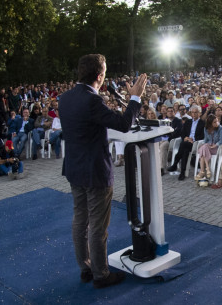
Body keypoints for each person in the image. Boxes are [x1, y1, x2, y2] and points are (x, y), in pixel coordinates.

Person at [58, 54, 145, 289]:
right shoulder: (91, 100)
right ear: (100, 76)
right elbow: (124, 125)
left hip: (75, 169)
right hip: (95, 171)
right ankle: (101, 274)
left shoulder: (64, 98)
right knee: (97, 225)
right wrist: (135, 96)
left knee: (80, 220)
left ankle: (86, 268)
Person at [167, 104, 205, 181]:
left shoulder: (203, 123)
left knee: (183, 145)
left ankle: (175, 164)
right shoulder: (188, 121)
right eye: (192, 112)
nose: (194, 114)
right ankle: (182, 173)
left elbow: (203, 136)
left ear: (199, 113)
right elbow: (183, 132)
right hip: (187, 142)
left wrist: (193, 140)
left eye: (196, 112)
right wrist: (185, 138)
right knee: (185, 151)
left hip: (196, 143)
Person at [194, 115, 222, 181]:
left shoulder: (220, 128)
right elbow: (205, 140)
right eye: (214, 122)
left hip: (217, 148)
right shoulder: (206, 128)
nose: (216, 123)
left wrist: (215, 145)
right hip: (208, 147)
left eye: (217, 121)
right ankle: (206, 169)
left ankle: (203, 171)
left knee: (203, 149)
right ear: (210, 123)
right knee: (204, 147)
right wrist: (203, 144)